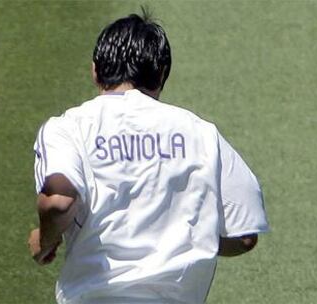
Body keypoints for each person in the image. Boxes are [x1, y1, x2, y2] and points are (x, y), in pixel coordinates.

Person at [28, 10, 269, 304]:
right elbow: (244, 235)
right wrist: (180, 235)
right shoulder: (201, 133)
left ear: (95, 71)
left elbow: (58, 202)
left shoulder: (68, 127)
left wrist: (44, 241)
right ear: (162, 74)